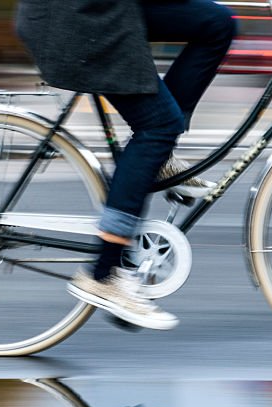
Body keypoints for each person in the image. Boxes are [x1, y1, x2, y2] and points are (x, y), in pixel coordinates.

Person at [16, 0, 237, 330]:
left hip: (107, 11)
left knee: (217, 23)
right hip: (79, 21)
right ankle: (104, 275)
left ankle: (157, 157)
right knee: (158, 126)